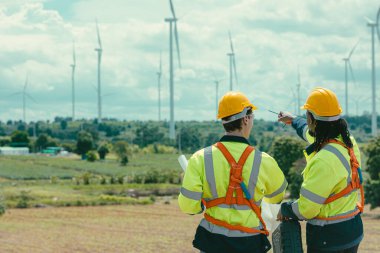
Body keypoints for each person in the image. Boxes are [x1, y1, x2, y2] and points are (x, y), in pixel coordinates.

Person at [178, 91, 288, 253]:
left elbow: (188, 206)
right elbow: (277, 196)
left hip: (212, 242)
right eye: (253, 116)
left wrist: (202, 203)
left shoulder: (200, 158)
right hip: (250, 242)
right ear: (246, 119)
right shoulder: (263, 160)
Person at [277, 87, 364, 253]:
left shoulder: (323, 161)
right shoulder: (347, 141)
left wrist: (286, 208)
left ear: (312, 119)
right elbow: (309, 133)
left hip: (329, 238)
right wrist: (294, 120)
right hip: (352, 229)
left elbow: (307, 209)